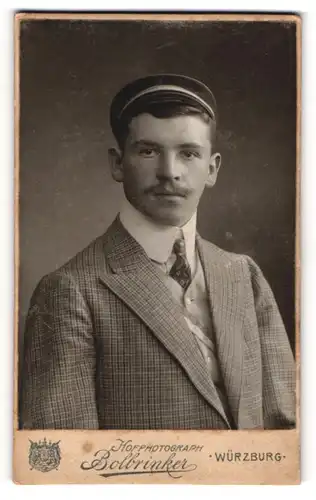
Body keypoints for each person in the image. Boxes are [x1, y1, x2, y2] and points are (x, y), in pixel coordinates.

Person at [20, 74, 296, 430]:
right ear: (118, 164)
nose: (170, 173)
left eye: (189, 153)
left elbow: (288, 431)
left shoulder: (244, 274)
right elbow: (64, 463)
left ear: (211, 169)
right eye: (148, 151)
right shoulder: (71, 290)